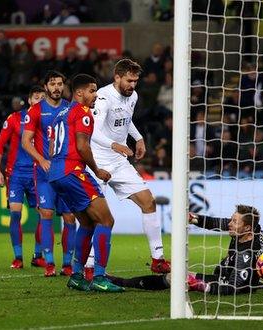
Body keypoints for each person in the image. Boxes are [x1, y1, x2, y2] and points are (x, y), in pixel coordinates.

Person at [86, 59, 171, 275]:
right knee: (97, 216)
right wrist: (116, 145)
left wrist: (139, 138)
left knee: (148, 201)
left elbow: (126, 119)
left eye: (135, 81)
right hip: (97, 162)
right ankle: (88, 266)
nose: (132, 85)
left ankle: (157, 259)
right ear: (117, 77)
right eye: (129, 80)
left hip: (119, 161)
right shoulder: (103, 98)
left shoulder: (132, 96)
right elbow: (92, 132)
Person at [48, 74, 123, 292]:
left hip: (56, 174)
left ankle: (77, 275)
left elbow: (52, 148)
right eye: (92, 90)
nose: (96, 95)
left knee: (88, 223)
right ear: (79, 93)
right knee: (106, 220)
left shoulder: (59, 113)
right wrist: (98, 170)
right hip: (72, 171)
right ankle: (99, 276)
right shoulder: (82, 112)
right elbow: (82, 146)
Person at [107, 205, 263, 295]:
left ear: (247, 227)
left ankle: (119, 281)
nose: (230, 224)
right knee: (176, 273)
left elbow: (235, 287)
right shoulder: (252, 229)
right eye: (231, 219)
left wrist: (200, 285)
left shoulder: (246, 253)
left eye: (234, 221)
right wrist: (193, 218)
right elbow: (216, 223)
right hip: (225, 273)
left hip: (225, 280)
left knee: (173, 278)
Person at [21, 71, 77, 277]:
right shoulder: (35, 111)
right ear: (45, 87)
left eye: (60, 84)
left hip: (66, 171)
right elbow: (25, 141)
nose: (56, 87)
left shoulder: (71, 108)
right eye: (52, 84)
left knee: (70, 217)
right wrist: (41, 159)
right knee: (46, 214)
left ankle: (68, 264)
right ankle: (50, 263)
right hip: (44, 172)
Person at [0, 86, 46, 269]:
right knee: (15, 213)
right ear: (30, 100)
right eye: (37, 97)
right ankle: (18, 257)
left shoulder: (49, 120)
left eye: (43, 97)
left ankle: (37, 255)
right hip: (15, 174)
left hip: (38, 174)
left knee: (44, 214)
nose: (40, 100)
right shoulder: (15, 118)